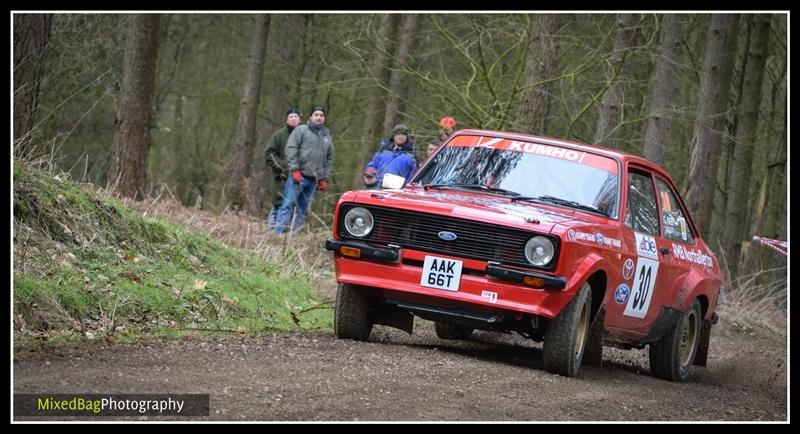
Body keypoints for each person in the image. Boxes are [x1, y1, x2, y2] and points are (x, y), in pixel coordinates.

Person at [273, 105, 334, 234]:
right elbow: (291, 148)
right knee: (287, 206)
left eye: (321, 115)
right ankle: (277, 235)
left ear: (324, 118)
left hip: (314, 181)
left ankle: (293, 236)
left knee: (303, 210)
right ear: (311, 117)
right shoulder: (301, 130)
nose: (318, 117)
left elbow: (329, 159)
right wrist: (294, 169)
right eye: (316, 115)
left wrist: (324, 178)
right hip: (299, 176)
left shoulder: (327, 137)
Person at [265, 108, 301, 226]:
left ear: (299, 119)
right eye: (291, 116)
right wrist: (284, 167)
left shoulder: (305, 135)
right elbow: (269, 155)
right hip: (282, 178)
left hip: (300, 178)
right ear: (287, 119)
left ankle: (290, 234)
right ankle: (272, 231)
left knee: (297, 206)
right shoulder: (279, 136)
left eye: (296, 116)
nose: (294, 119)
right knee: (279, 204)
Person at [362, 124, 417, 189]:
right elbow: (372, 165)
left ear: (407, 137)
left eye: (403, 135)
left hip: (396, 190)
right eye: (398, 134)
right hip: (376, 186)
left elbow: (413, 175)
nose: (400, 137)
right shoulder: (383, 151)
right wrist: (369, 174)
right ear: (393, 136)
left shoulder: (411, 156)